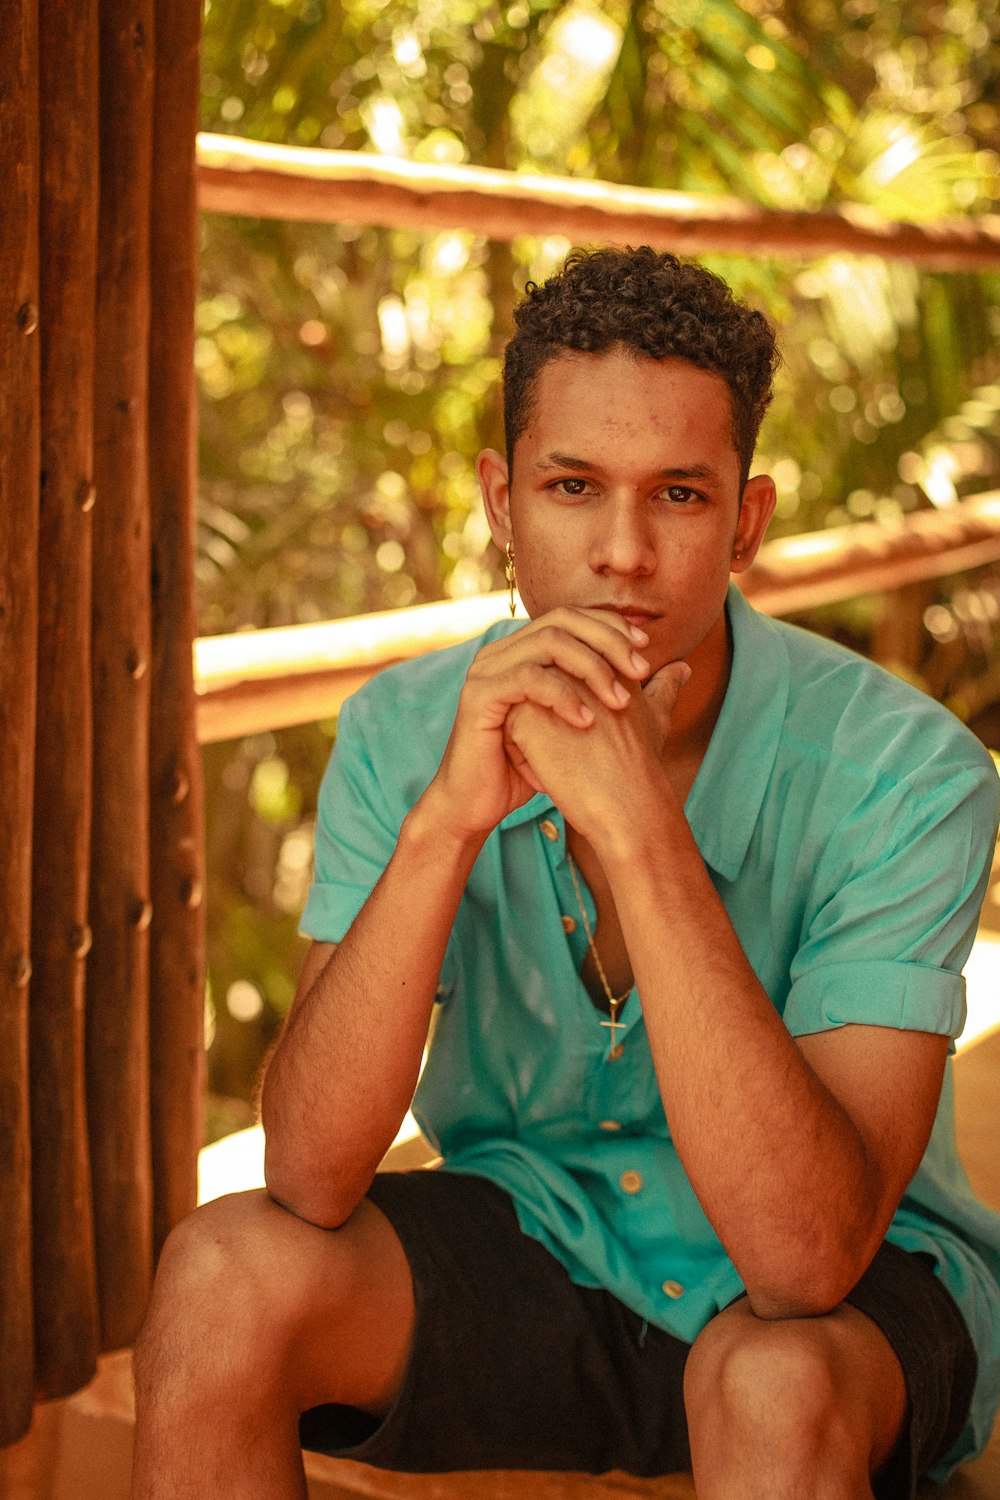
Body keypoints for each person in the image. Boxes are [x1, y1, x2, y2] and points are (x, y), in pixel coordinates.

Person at [132, 246, 1000, 1500]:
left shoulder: (907, 771)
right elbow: (309, 1176)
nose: (623, 553)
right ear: (501, 500)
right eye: (573, 486)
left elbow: (805, 1259)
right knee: (220, 1275)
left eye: (681, 497)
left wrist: (640, 827)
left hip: (844, 1298)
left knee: (771, 1378)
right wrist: (446, 821)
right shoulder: (400, 728)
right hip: (534, 1233)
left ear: (747, 520)